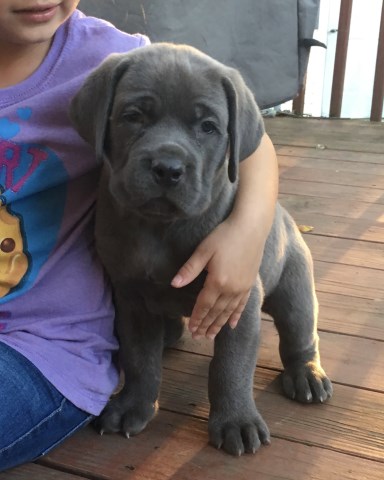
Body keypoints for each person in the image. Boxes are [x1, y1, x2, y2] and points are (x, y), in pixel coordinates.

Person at [0, 0, 278, 471]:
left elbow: (253, 143)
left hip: (44, 344)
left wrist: (247, 234)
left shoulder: (108, 57)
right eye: (137, 118)